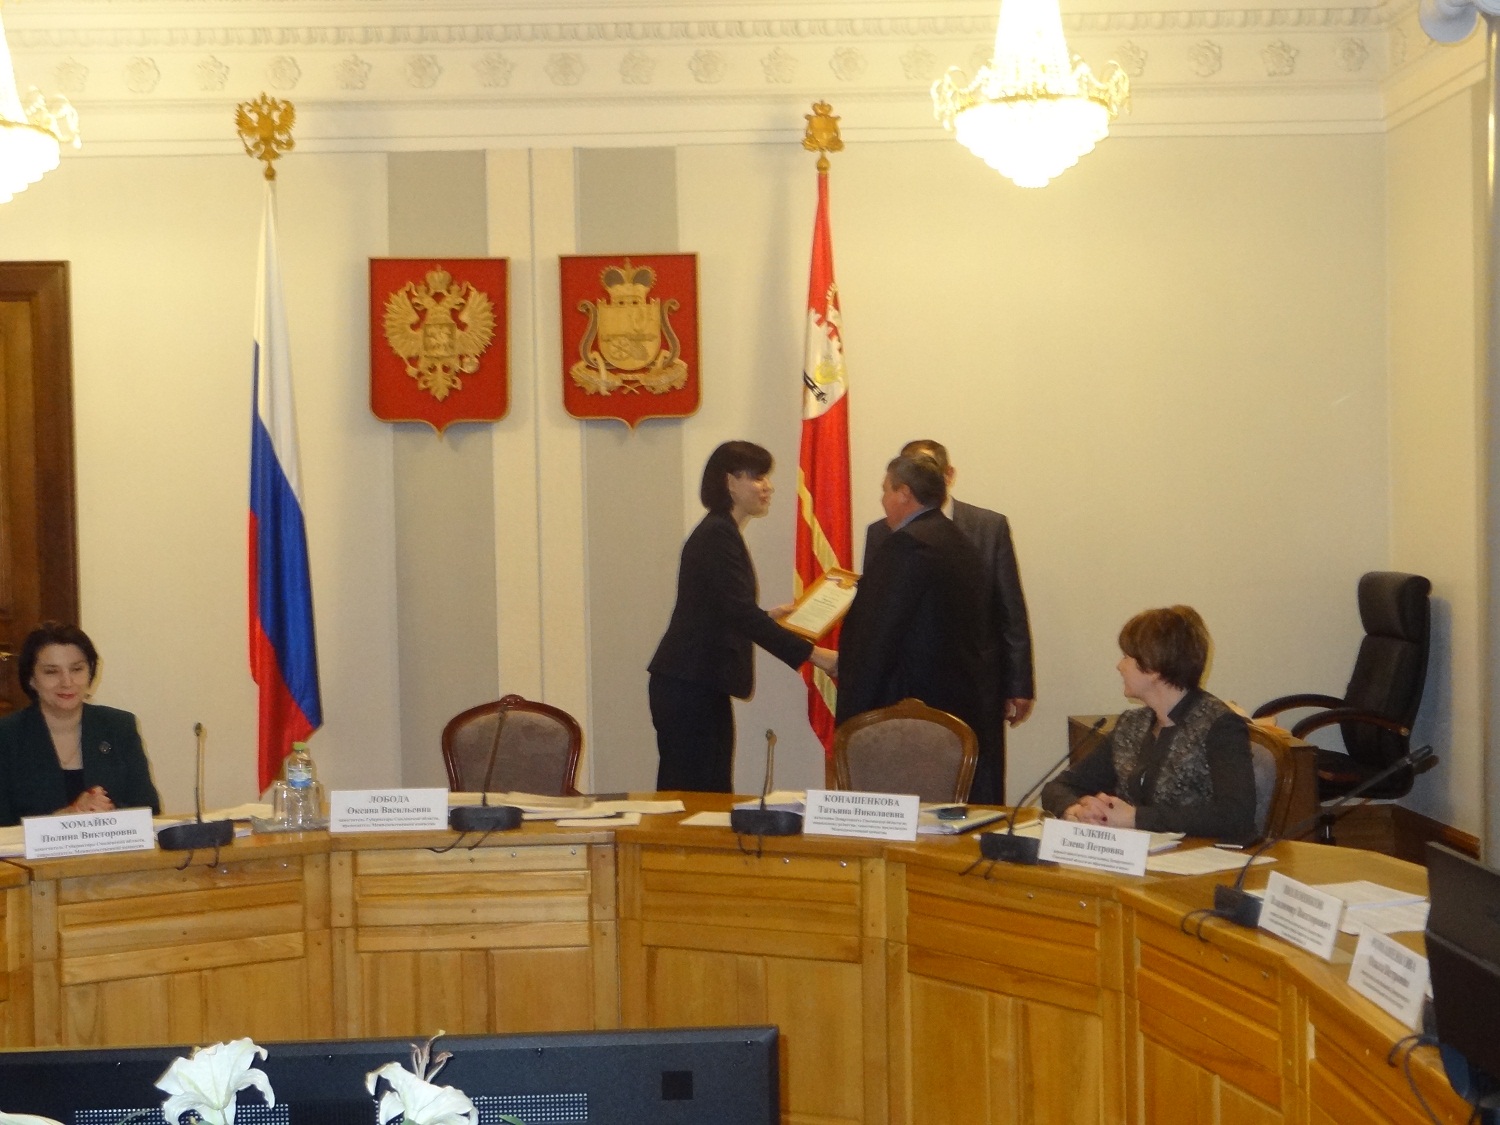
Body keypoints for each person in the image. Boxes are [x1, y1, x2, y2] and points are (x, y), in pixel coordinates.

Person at [649, 441, 838, 792]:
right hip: (689, 685)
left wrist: (768, 616)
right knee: (695, 795)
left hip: (696, 682)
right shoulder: (718, 534)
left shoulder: (722, 531)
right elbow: (739, 613)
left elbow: (724, 610)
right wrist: (816, 655)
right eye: (758, 477)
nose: (768, 486)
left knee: (708, 791)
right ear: (730, 482)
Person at [864, 439, 1033, 804]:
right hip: (910, 684)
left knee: (978, 782)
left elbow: (1009, 607)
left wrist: (1019, 682)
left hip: (977, 679)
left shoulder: (988, 526)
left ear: (948, 475)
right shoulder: (881, 531)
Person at [1041, 605, 1255, 841]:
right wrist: (1076, 811)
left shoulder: (1220, 725)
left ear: (1152, 666)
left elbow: (1236, 816)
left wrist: (1135, 818)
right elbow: (1059, 787)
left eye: (1126, 657)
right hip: (1136, 854)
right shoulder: (1131, 725)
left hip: (1198, 855)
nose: (1119, 666)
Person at [835, 451, 986, 740]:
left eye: (885, 490)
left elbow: (878, 634)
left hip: (903, 710)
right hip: (951, 706)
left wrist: (854, 710)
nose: (882, 501)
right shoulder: (959, 542)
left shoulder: (906, 546)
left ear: (904, 493)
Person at [0, 622, 161, 826]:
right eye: (51, 672)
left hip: (110, 846)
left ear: (90, 672)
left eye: (77, 669)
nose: (67, 682)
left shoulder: (119, 726)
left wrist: (107, 812)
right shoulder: (7, 736)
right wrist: (67, 815)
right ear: (31, 679)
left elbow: (149, 810)